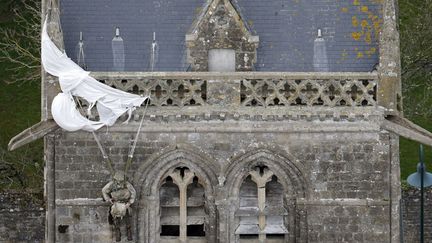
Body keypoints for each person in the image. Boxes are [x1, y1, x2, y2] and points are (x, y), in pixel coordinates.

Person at [102, 171, 136, 241]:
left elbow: (133, 192)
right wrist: (108, 199)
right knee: (116, 219)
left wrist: (129, 202)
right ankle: (118, 233)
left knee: (127, 219)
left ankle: (129, 233)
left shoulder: (126, 184)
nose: (120, 182)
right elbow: (104, 190)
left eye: (121, 180)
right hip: (116, 203)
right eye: (118, 180)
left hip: (125, 203)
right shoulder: (111, 184)